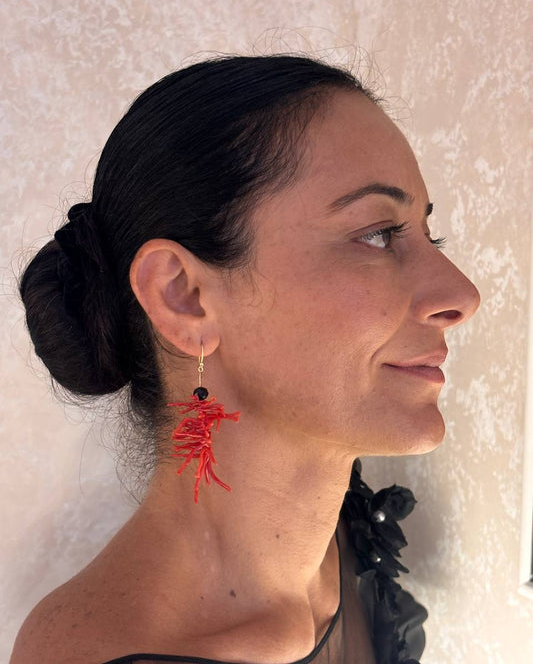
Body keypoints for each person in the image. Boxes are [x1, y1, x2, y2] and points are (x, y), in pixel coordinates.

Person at [10, 54, 480, 664]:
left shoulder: (351, 537)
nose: (462, 295)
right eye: (377, 234)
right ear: (184, 296)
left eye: (427, 234)